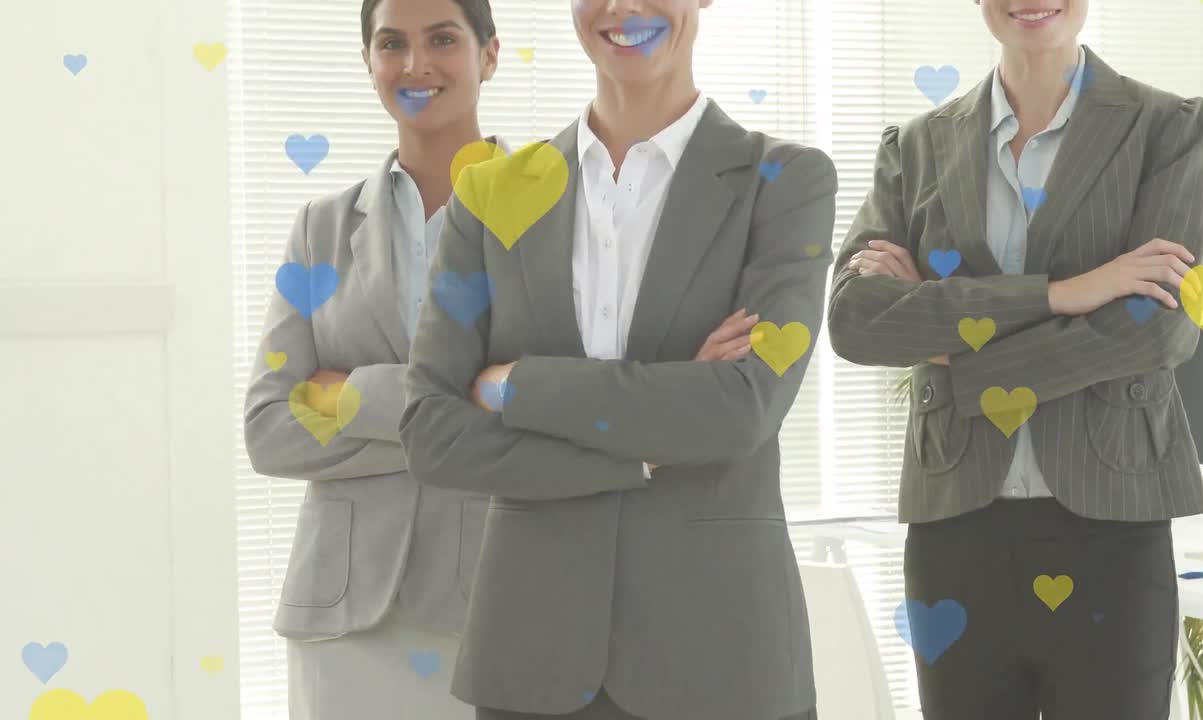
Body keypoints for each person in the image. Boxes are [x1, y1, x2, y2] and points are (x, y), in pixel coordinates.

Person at [398, 0, 838, 717]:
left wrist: (519, 386)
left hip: (722, 657)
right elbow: (431, 432)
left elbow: (741, 409)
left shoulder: (784, 181)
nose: (623, 6)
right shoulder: (489, 193)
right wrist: (646, 451)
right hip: (530, 655)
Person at [826, 1, 1203, 718]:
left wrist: (956, 351)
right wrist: (1067, 293)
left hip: (1112, 523)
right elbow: (854, 320)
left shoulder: (1166, 127)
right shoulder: (915, 147)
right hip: (955, 525)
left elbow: (1157, 330)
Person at [242, 0, 508, 717]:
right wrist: (461, 405)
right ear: (368, 62)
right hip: (340, 619)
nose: (416, 65)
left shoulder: (553, 215)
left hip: (497, 605)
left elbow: (556, 409)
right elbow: (269, 429)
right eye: (392, 44)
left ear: (488, 54)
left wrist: (350, 395)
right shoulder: (321, 228)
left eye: (442, 39)